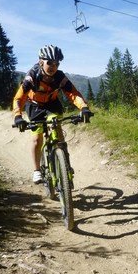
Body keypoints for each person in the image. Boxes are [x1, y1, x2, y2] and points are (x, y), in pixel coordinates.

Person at [12, 45, 92, 184]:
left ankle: (64, 163)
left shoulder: (59, 77)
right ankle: (37, 170)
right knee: (37, 140)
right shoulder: (32, 76)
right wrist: (18, 116)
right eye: (49, 62)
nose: (53, 66)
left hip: (52, 103)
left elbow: (73, 94)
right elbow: (19, 98)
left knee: (57, 130)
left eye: (56, 63)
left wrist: (83, 108)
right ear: (41, 62)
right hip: (34, 105)